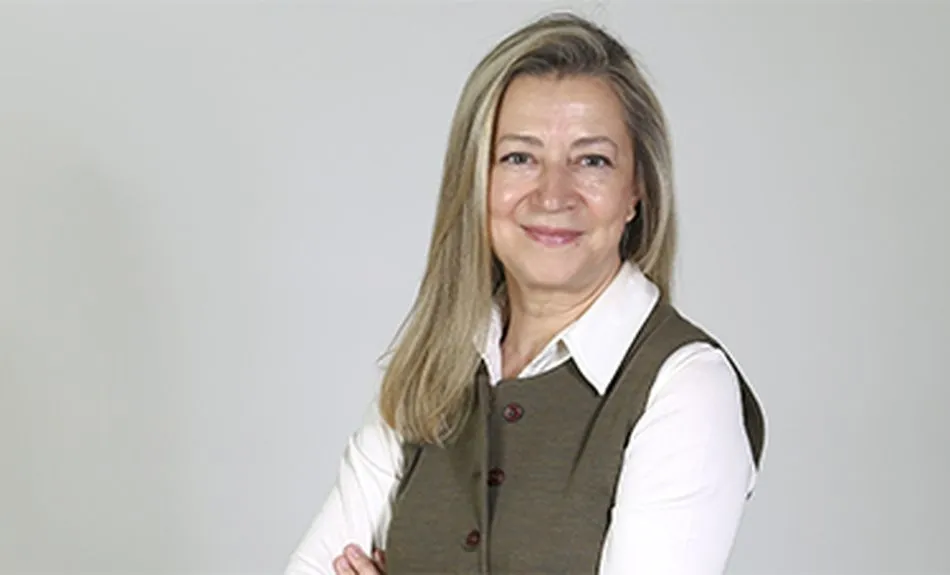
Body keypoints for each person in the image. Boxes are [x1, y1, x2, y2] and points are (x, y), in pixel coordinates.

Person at [285, 11, 766, 575]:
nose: (553, 194)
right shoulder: (432, 371)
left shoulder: (686, 386)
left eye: (592, 160)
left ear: (635, 189)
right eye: (519, 157)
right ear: (478, 180)